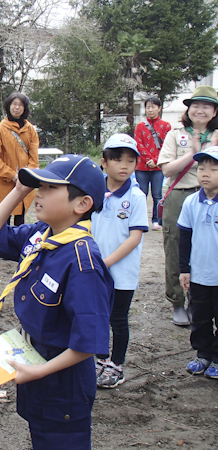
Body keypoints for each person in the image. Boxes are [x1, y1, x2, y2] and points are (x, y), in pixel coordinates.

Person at [0, 155, 113, 450]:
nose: (39, 192)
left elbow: (88, 343)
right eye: (40, 185)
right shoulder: (42, 234)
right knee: (41, 435)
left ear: (81, 204)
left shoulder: (83, 262)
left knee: (61, 440)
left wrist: (38, 371)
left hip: (63, 380)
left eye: (50, 188)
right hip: (34, 360)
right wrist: (18, 191)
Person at [158, 85, 218, 326]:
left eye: (206, 106)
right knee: (176, 249)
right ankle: (177, 302)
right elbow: (166, 170)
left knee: (208, 249)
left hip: (213, 197)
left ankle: (201, 300)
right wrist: (194, 154)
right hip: (180, 195)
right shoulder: (176, 134)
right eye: (196, 105)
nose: (200, 110)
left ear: (214, 112)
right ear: (189, 109)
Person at [91, 134, 148, 388]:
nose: (124, 166)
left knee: (118, 318)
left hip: (121, 273)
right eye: (117, 159)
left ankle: (117, 364)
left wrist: (107, 262)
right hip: (94, 269)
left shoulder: (136, 196)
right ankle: (100, 359)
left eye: (130, 160)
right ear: (104, 162)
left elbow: (134, 238)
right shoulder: (94, 192)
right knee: (98, 316)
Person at [177, 147, 218, 379]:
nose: (205, 173)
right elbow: (184, 238)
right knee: (199, 317)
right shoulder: (191, 202)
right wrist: (184, 270)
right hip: (199, 275)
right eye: (202, 168)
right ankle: (203, 354)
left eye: (213, 169)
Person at [0, 92, 39, 226]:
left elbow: (34, 157)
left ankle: (17, 246)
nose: (17, 108)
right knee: (3, 219)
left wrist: (28, 175)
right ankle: (2, 246)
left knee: (20, 220)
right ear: (8, 106)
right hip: (5, 182)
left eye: (20, 105)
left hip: (24, 182)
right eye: (14, 104)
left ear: (25, 108)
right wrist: (13, 176)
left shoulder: (30, 130)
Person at [134, 96, 172, 230]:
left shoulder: (166, 126)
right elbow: (138, 144)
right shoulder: (140, 126)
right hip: (141, 167)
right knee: (141, 194)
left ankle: (157, 220)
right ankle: (140, 219)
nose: (150, 110)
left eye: (153, 107)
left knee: (157, 195)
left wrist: (155, 161)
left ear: (159, 108)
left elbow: (167, 146)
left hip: (158, 167)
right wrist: (148, 159)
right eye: (148, 107)